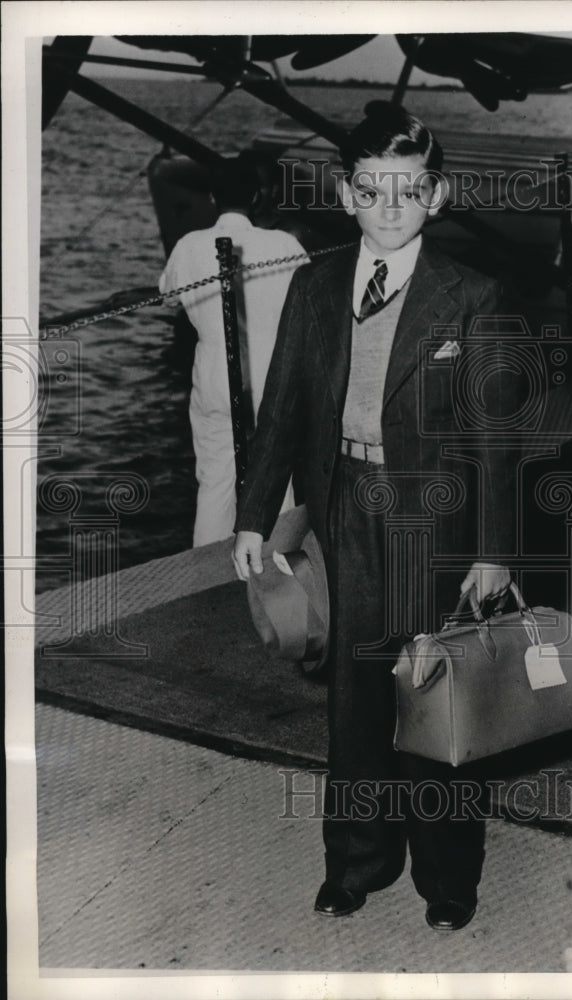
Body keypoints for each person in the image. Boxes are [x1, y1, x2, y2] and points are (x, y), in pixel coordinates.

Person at [232, 108, 523, 931]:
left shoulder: (473, 295)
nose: (388, 207)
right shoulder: (315, 284)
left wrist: (494, 551)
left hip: (437, 521)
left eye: (407, 192)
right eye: (370, 190)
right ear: (344, 194)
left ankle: (447, 879)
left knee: (436, 698)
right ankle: (355, 863)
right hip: (345, 514)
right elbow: (281, 408)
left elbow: (496, 438)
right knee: (355, 699)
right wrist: (254, 515)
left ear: (436, 196)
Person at [160, 155, 305, 546]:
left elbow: (168, 298)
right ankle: (280, 580)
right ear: (257, 197)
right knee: (279, 485)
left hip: (216, 383)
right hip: (274, 382)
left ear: (210, 197)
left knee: (214, 486)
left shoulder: (188, 246)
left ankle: (208, 585)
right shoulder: (284, 244)